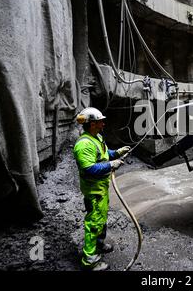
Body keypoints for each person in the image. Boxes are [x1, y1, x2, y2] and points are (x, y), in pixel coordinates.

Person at [73, 107, 130, 271]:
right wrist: (111, 165)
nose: (103, 124)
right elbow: (89, 168)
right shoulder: (83, 145)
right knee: (94, 224)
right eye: (100, 121)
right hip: (94, 191)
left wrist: (116, 153)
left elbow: (103, 154)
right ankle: (90, 261)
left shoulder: (96, 137)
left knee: (101, 220)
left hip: (101, 188)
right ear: (92, 124)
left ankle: (98, 245)